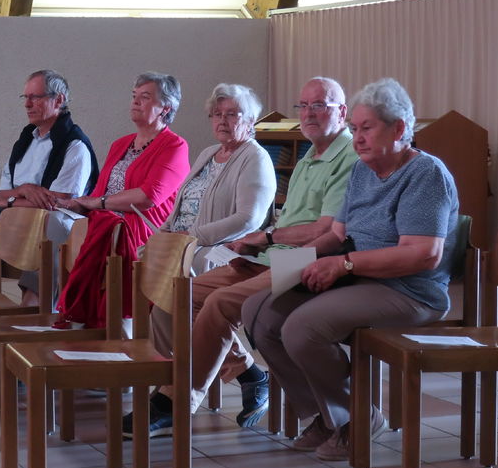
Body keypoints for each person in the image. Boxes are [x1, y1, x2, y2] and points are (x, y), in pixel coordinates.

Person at [126, 76, 357, 438]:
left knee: (219, 303)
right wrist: (260, 244)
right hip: (271, 255)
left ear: (342, 112)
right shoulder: (310, 155)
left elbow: (326, 231)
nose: (308, 114)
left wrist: (265, 237)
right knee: (176, 298)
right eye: (303, 106)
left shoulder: (347, 156)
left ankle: (175, 400)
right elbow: (285, 222)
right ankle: (244, 374)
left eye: (319, 106)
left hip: (306, 259)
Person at [244, 77, 459, 461]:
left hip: (408, 290)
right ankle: (324, 416)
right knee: (257, 313)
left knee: (302, 327)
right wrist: (296, 261)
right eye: (355, 129)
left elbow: (423, 254)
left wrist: (343, 264)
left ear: (399, 128)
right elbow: (336, 234)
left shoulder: (425, 174)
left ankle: (357, 416)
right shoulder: (362, 171)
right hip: (358, 276)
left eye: (367, 129)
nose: (357, 139)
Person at [145, 83, 275, 364]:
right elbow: (182, 204)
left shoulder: (256, 158)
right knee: (151, 281)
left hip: (220, 249)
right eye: (217, 114)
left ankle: (191, 374)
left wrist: (192, 237)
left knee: (170, 301)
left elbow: (249, 219)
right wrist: (163, 234)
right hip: (184, 243)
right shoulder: (208, 153)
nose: (222, 120)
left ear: (251, 120)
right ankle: (171, 370)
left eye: (232, 114)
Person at [54, 72, 190, 330]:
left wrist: (99, 203)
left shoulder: (175, 146)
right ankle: (86, 321)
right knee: (71, 223)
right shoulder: (121, 144)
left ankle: (105, 324)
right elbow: (99, 191)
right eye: (134, 96)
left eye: (145, 97)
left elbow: (148, 197)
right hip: (108, 222)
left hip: (143, 229)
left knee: (107, 228)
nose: (135, 102)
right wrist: (80, 204)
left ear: (166, 108)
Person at [0, 70, 98, 305]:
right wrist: (23, 190)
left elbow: (57, 202)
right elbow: (3, 191)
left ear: (59, 100)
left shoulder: (75, 145)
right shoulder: (26, 139)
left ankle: (35, 308)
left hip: (53, 224)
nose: (27, 104)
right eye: (25, 97)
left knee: (51, 225)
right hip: (17, 219)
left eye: (35, 97)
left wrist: (9, 202)